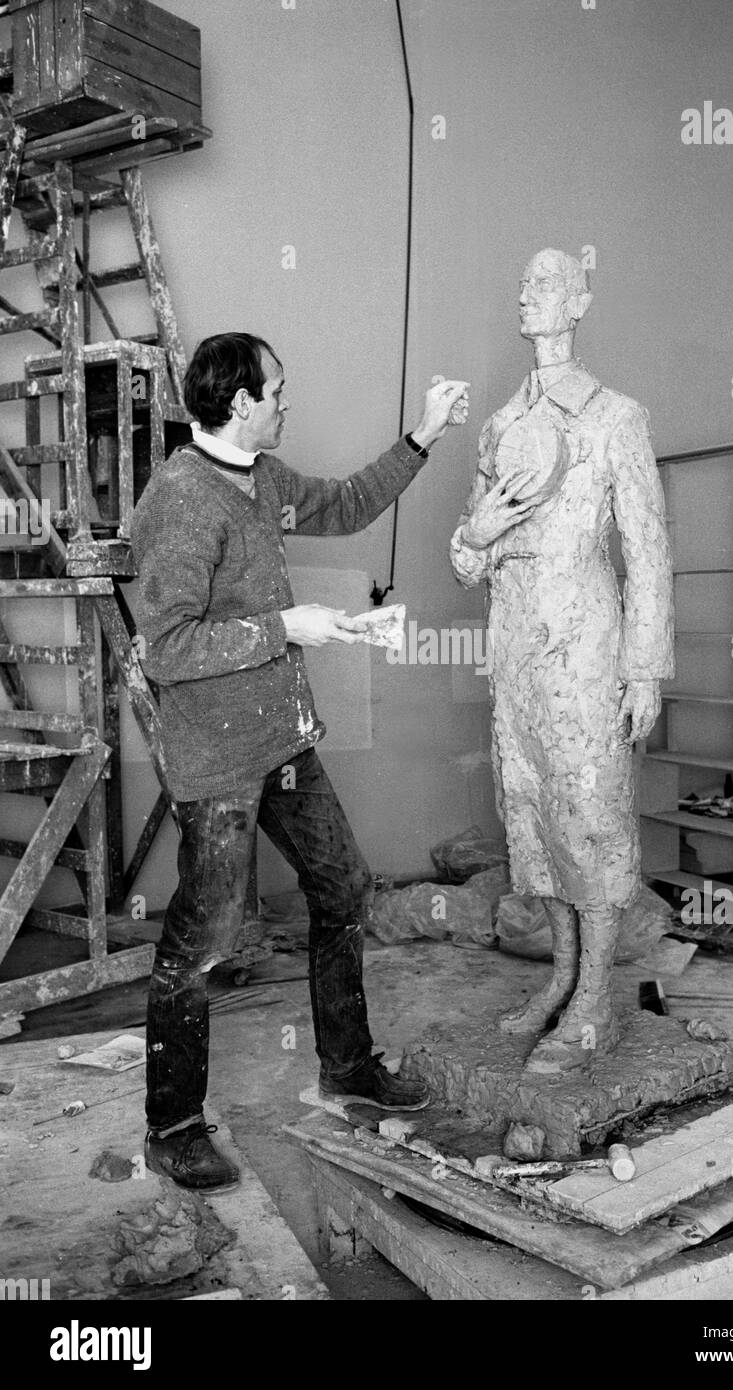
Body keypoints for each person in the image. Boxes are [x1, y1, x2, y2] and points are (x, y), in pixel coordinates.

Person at [132, 332, 468, 1189]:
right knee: (201, 939)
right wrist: (286, 627)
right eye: (277, 389)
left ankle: (348, 1070)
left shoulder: (262, 478)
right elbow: (166, 650)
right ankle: (173, 1126)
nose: (288, 400)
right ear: (240, 402)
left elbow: (349, 504)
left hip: (281, 738)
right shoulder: (180, 497)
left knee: (344, 888)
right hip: (216, 759)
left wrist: (423, 434)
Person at [449, 249, 673, 1072]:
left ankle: (597, 1004)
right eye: (523, 283)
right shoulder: (503, 426)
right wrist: (474, 538)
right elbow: (469, 556)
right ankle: (563, 979)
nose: (526, 294)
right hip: (517, 657)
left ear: (579, 301)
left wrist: (645, 668)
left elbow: (647, 551)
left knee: (593, 815)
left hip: (588, 649)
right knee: (537, 817)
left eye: (544, 284)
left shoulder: (617, 417)